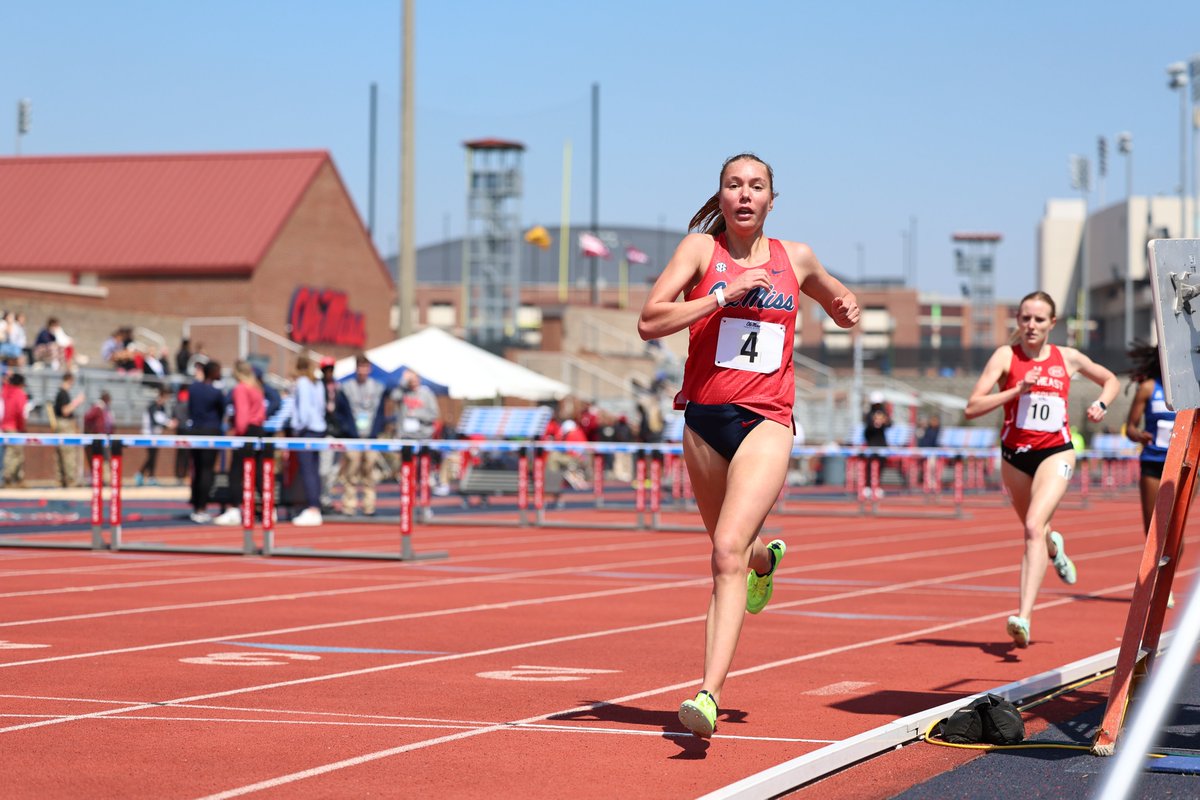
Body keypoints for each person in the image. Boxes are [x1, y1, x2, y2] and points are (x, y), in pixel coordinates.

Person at [636, 152, 860, 738]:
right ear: (721, 197)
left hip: (767, 420)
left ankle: (707, 695)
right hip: (704, 421)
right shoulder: (698, 253)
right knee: (735, 549)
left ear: (769, 199)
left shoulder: (796, 257)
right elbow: (650, 321)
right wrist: (721, 297)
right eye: (733, 185)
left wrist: (843, 306)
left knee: (724, 552)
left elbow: (837, 300)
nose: (744, 194)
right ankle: (769, 559)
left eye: (755, 186)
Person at [965, 290, 1118, 649]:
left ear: (1052, 323)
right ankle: (1054, 547)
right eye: (1025, 318)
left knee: (1033, 525)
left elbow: (1110, 380)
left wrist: (1101, 404)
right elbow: (972, 407)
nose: (1030, 325)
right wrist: (1016, 389)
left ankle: (1024, 618)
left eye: (1038, 319)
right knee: (1036, 529)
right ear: (1018, 321)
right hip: (1014, 456)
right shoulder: (1006, 356)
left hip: (1057, 452)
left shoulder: (1068, 358)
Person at [1124, 341, 1180, 607]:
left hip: (1182, 466)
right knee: (1152, 529)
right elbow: (1130, 427)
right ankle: (1159, 585)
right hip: (1153, 463)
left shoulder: (1189, 390)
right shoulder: (1147, 387)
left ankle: (1165, 581)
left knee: (1172, 530)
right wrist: (1139, 435)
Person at [333, 354, 387, 515]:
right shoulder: (347, 387)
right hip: (353, 437)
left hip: (371, 437)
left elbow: (381, 412)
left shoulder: (377, 387)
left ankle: (369, 505)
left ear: (369, 369)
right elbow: (340, 412)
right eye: (360, 367)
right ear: (356, 369)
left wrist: (376, 431)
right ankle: (349, 505)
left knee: (369, 470)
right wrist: (347, 430)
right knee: (351, 470)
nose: (363, 370)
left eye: (365, 367)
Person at [214, 360, 266, 526]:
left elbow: (242, 415)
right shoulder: (257, 388)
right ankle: (268, 510)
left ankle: (234, 510)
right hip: (259, 430)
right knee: (258, 472)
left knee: (236, 473)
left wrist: (238, 432)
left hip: (246, 432)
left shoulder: (241, 388)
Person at [393, 368, 446, 493]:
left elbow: (434, 414)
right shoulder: (403, 392)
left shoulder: (426, 394)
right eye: (410, 380)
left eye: (415, 379)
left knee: (423, 470)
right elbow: (394, 396)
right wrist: (403, 381)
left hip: (423, 436)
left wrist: (417, 414)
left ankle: (424, 500)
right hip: (406, 436)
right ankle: (408, 495)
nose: (413, 382)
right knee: (407, 469)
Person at [186, 360, 226, 523]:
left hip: (195, 431)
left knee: (197, 468)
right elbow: (222, 410)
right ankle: (201, 507)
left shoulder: (193, 388)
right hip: (210, 432)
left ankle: (196, 504)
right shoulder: (215, 392)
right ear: (213, 372)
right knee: (206, 470)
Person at [287, 355, 326, 526]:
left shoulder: (303, 382)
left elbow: (303, 410)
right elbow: (321, 406)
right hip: (318, 429)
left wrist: (297, 427)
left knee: (308, 470)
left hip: (307, 431)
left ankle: (312, 507)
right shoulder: (316, 382)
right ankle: (314, 504)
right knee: (313, 469)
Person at [51, 371, 85, 487]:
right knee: (68, 453)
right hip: (65, 426)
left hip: (61, 425)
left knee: (61, 453)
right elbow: (65, 411)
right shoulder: (63, 393)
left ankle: (61, 480)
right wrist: (77, 402)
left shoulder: (60, 393)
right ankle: (71, 481)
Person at [137, 386, 173, 486]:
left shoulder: (162, 407)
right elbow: (154, 421)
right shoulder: (152, 406)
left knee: (154, 456)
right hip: (149, 435)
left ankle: (150, 476)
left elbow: (164, 419)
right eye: (166, 397)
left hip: (156, 435)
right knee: (151, 456)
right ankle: (142, 474)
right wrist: (167, 424)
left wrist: (168, 423)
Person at [1, 373, 30, 486]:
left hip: (4, 426)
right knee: (16, 453)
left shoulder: (5, 392)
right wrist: (23, 427)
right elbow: (20, 412)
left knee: (10, 452)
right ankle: (8, 477)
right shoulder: (20, 394)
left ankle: (16, 478)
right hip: (14, 427)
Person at [862, 392, 891, 497]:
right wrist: (875, 423)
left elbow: (890, 424)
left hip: (881, 443)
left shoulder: (884, 413)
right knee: (869, 466)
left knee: (881, 466)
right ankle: (868, 486)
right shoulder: (869, 414)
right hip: (871, 443)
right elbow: (868, 428)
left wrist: (884, 421)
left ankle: (877, 486)